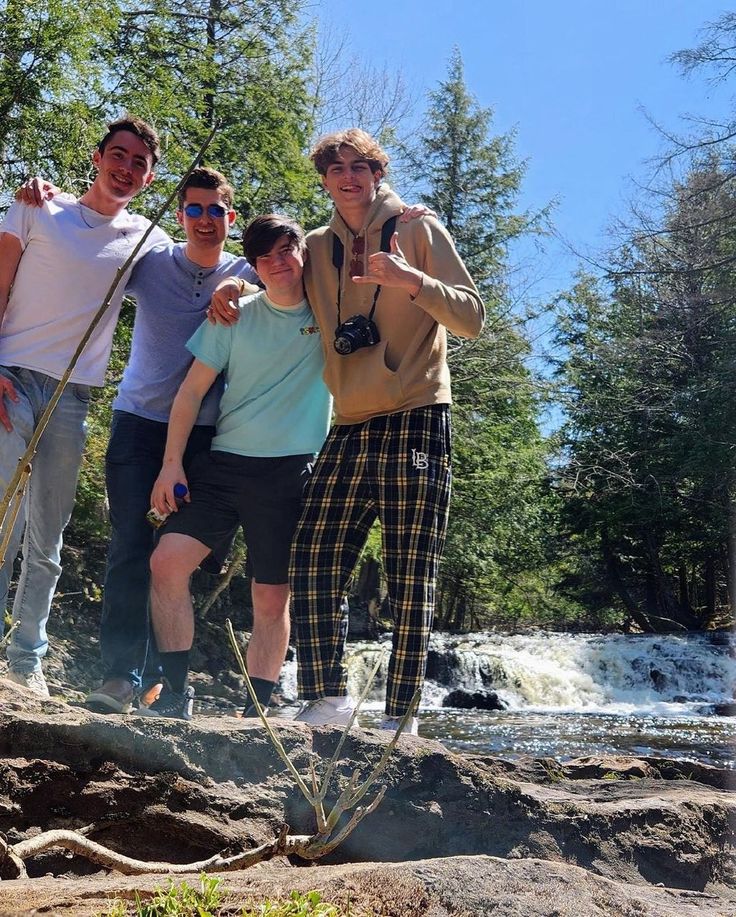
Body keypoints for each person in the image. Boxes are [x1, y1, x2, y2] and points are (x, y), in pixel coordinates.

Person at [212, 128, 483, 734]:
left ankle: (403, 713)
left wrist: (411, 280)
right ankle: (327, 698)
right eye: (336, 169)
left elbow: (471, 317)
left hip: (416, 413)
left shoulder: (417, 230)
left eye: (360, 166)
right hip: (350, 423)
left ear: (377, 172)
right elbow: (279, 281)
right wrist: (236, 283)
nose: (349, 177)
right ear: (325, 181)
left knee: (410, 566)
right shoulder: (313, 244)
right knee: (313, 557)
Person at [0, 116, 168, 698]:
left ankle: (26, 663)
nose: (126, 168)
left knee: (48, 537)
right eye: (118, 155)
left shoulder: (148, 239)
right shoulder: (36, 208)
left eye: (139, 164)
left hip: (73, 398)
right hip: (11, 379)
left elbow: (201, 269)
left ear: (149, 179)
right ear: (97, 157)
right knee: (1, 519)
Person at [141, 214, 331, 720]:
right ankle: (176, 695)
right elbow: (190, 392)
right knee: (166, 562)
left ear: (302, 253)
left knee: (270, 599)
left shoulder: (330, 312)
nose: (278, 263)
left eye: (286, 251)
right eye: (265, 257)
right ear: (254, 265)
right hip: (224, 465)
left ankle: (256, 716)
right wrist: (171, 465)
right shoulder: (234, 314)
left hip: (290, 474)